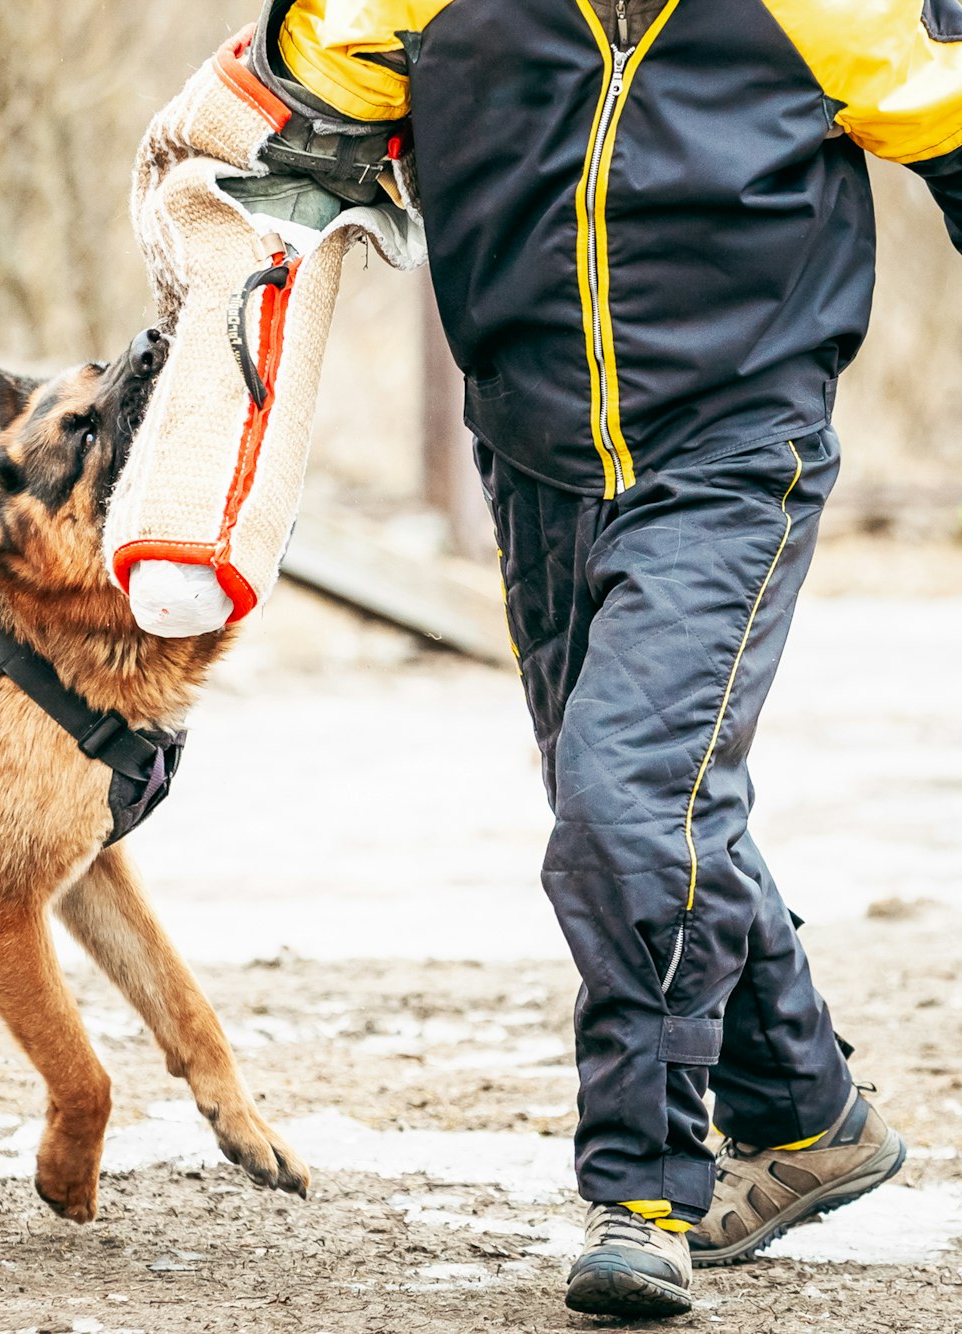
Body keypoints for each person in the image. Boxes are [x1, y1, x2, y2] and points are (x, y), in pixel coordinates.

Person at [228, 0, 962, 1318]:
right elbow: (285, 103)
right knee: (643, 801)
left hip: (737, 453)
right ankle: (811, 1117)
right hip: (534, 453)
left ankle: (643, 1192)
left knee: (627, 798)